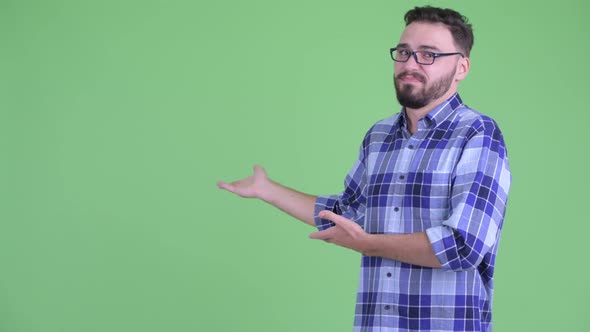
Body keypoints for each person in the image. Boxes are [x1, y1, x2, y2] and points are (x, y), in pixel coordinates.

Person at [218, 6, 511, 332]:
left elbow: (463, 246)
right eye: (404, 52)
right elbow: (348, 213)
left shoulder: (478, 134)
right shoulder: (379, 136)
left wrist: (368, 244)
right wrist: (268, 190)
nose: (410, 64)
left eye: (428, 55)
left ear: (461, 67)